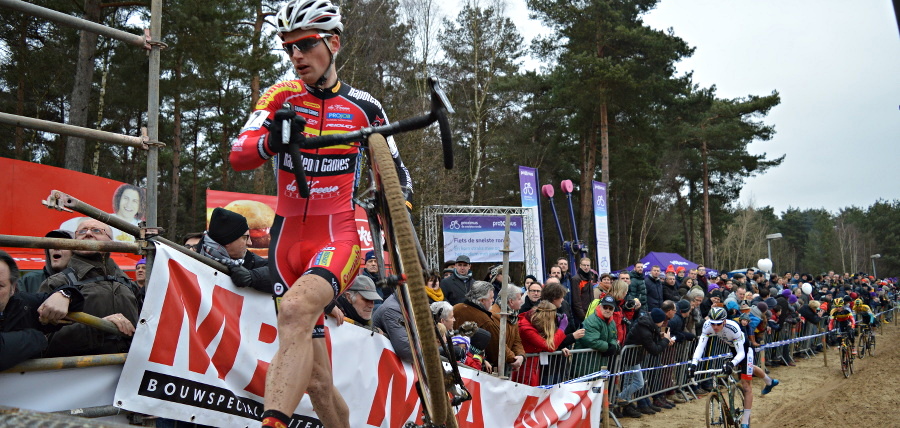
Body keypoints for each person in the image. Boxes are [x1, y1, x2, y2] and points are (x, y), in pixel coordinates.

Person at [229, 0, 413, 425]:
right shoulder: (279, 96)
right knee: (317, 384)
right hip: (284, 244)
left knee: (294, 309)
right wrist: (269, 142)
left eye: (305, 44)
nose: (295, 56)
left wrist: (397, 211)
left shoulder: (366, 106)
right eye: (287, 46)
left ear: (333, 43)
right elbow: (239, 154)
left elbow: (398, 174)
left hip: (337, 238)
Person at [38, 218, 138, 357]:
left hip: (130, 370)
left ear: (111, 242)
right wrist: (100, 326)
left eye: (97, 230)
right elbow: (42, 343)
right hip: (83, 374)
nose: (88, 233)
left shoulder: (129, 283)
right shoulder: (57, 282)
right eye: (82, 231)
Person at [687, 307, 778, 428]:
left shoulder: (733, 327)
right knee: (750, 367)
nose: (715, 327)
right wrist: (693, 364)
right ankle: (769, 381)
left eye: (718, 324)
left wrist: (732, 363)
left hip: (745, 349)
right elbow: (700, 346)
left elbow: (741, 353)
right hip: (732, 347)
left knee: (746, 384)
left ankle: (745, 421)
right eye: (713, 324)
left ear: (724, 321)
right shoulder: (707, 325)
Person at [0, 250, 85, 371]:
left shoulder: (24, 304)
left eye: (0, 286)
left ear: (12, 288)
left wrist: (65, 294)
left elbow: (77, 305)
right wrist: (38, 338)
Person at [201, 208, 274, 295]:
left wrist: (252, 277)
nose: (250, 243)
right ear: (228, 241)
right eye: (245, 237)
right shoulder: (192, 257)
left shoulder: (249, 259)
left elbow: (279, 274)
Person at [452, 281, 513, 370]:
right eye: (491, 298)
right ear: (482, 300)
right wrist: (512, 359)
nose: (493, 300)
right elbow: (496, 350)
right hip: (474, 368)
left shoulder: (455, 308)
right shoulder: (485, 320)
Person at [573, 295, 619, 378]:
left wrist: (613, 346)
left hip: (600, 363)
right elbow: (590, 340)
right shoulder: (592, 321)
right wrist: (608, 347)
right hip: (586, 363)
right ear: (600, 307)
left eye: (610, 308)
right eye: (605, 307)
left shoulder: (612, 322)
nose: (607, 310)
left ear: (613, 310)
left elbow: (614, 338)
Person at [489, 282, 526, 374]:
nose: (521, 301)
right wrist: (513, 359)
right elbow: (498, 342)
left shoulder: (513, 316)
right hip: (493, 366)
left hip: (505, 363)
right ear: (511, 301)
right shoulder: (494, 315)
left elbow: (517, 341)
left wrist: (520, 356)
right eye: (519, 298)